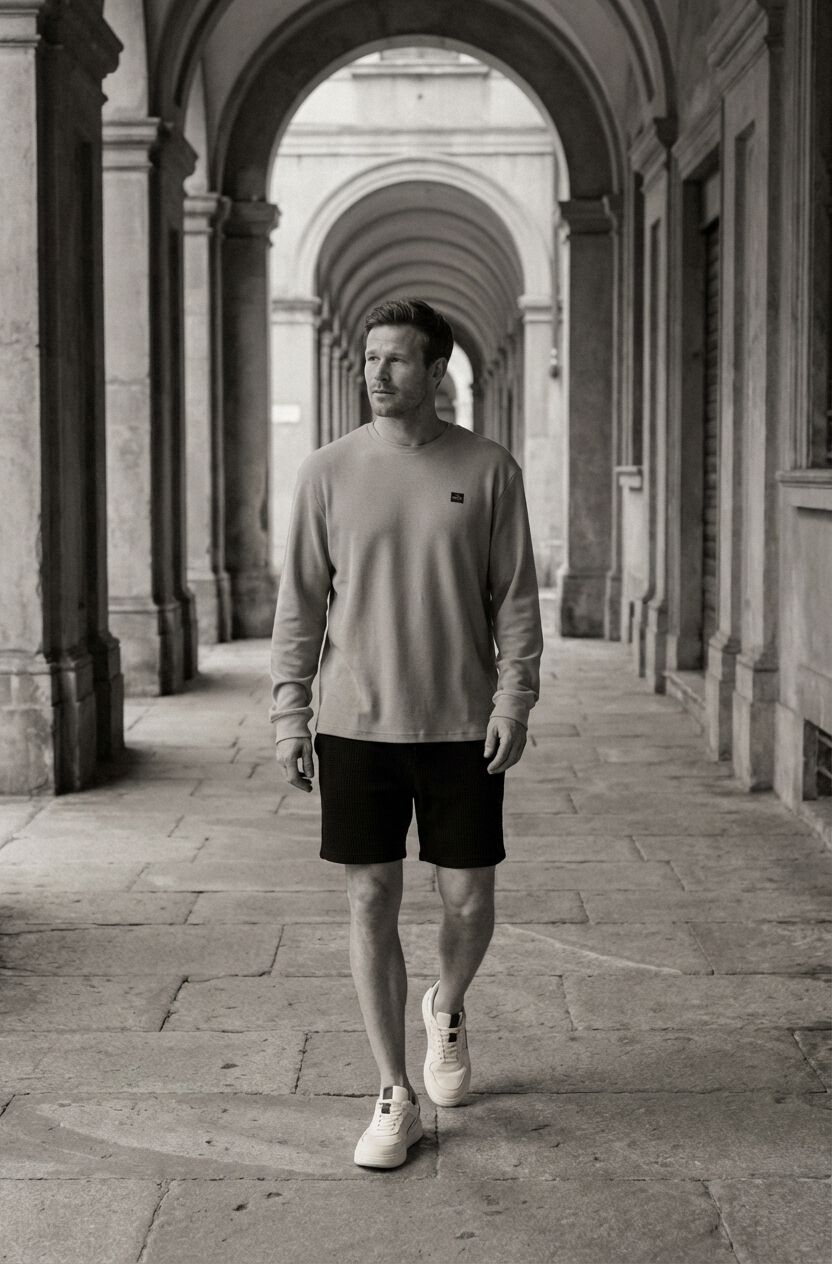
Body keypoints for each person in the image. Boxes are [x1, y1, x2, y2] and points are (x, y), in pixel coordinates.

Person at [269, 298, 543, 1169]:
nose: (377, 374)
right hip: (355, 724)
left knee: (469, 901)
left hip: (462, 724)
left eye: (395, 360)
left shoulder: (489, 470)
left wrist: (514, 703)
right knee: (369, 898)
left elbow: (517, 602)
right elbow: (299, 604)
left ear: (435, 371)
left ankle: (446, 1004)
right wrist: (289, 713)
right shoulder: (327, 471)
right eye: (369, 358)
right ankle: (394, 1091)